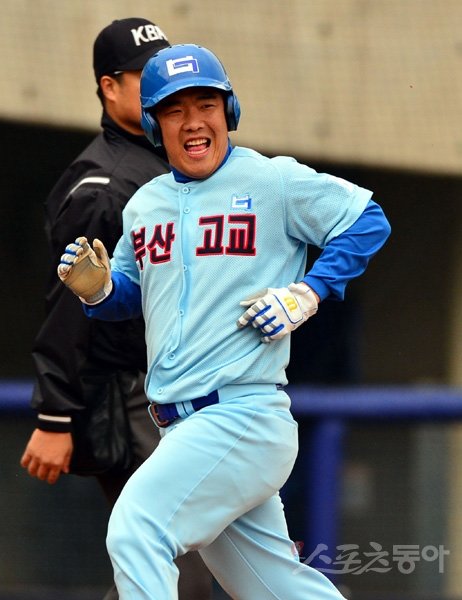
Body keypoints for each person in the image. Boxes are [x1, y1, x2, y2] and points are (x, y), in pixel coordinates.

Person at [57, 44, 391, 599]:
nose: (193, 121)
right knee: (275, 587)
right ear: (154, 124)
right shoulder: (144, 205)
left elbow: (366, 220)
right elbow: (131, 296)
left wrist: (306, 293)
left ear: (228, 111)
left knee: (137, 529)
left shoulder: (271, 180)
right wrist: (100, 291)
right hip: (180, 427)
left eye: (205, 104)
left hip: (241, 413)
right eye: (174, 110)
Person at [20, 23, 212, 600]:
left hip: (183, 387)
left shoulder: (171, 161)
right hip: (130, 396)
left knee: (177, 566)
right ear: (109, 87)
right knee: (178, 570)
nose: (161, 84)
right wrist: (55, 415)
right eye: (143, 74)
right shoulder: (104, 184)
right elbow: (71, 300)